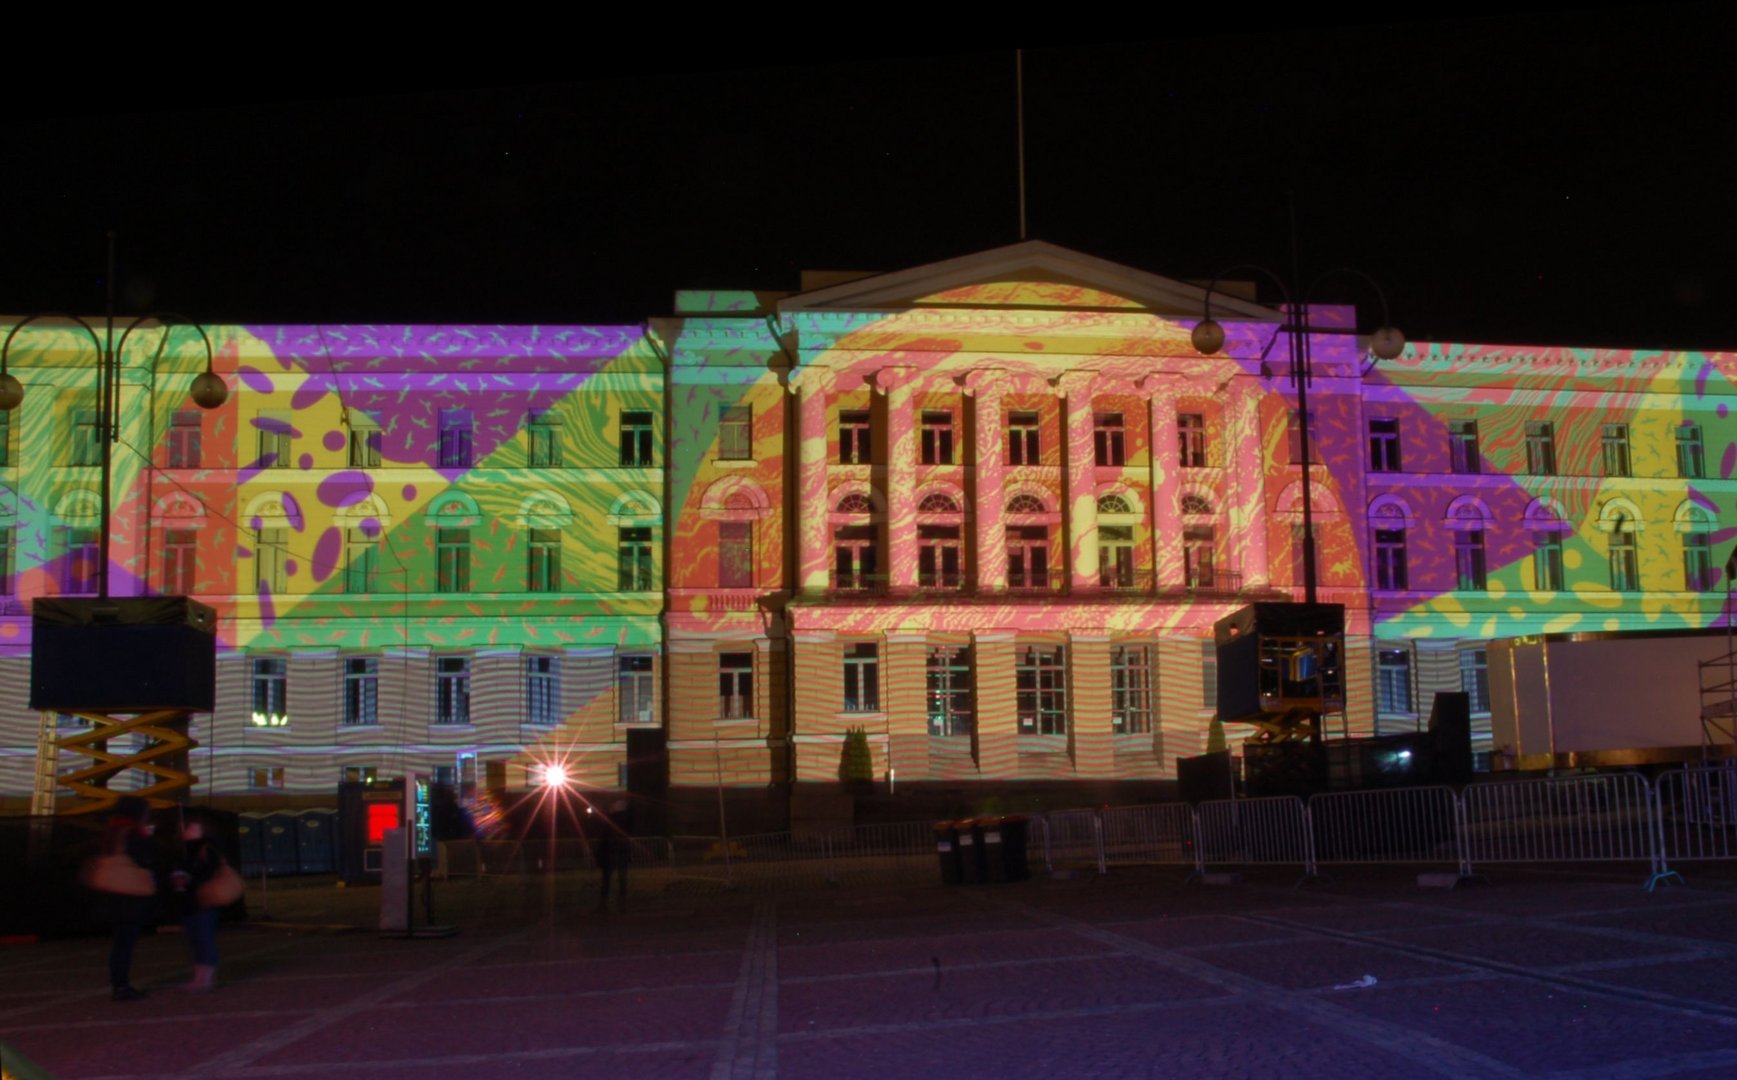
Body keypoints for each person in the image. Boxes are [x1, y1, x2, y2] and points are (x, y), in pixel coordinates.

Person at [95, 796, 159, 1002]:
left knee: (121, 942)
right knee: (125, 942)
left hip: (114, 894)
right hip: (130, 896)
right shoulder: (133, 833)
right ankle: (121, 986)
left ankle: (119, 983)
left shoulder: (113, 831)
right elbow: (144, 858)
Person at [168, 816, 223, 992]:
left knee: (203, 938)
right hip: (187, 901)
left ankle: (204, 979)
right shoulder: (181, 851)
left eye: (193, 829)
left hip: (203, 900)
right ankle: (198, 977)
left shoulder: (207, 849)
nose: (188, 832)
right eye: (188, 828)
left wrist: (189, 877)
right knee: (193, 939)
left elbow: (209, 873)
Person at [594, 798, 633, 914]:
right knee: (622, 880)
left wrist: (599, 853)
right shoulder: (627, 823)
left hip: (611, 854)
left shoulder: (610, 822)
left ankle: (604, 905)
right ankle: (622, 905)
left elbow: (604, 838)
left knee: (607, 880)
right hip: (622, 854)